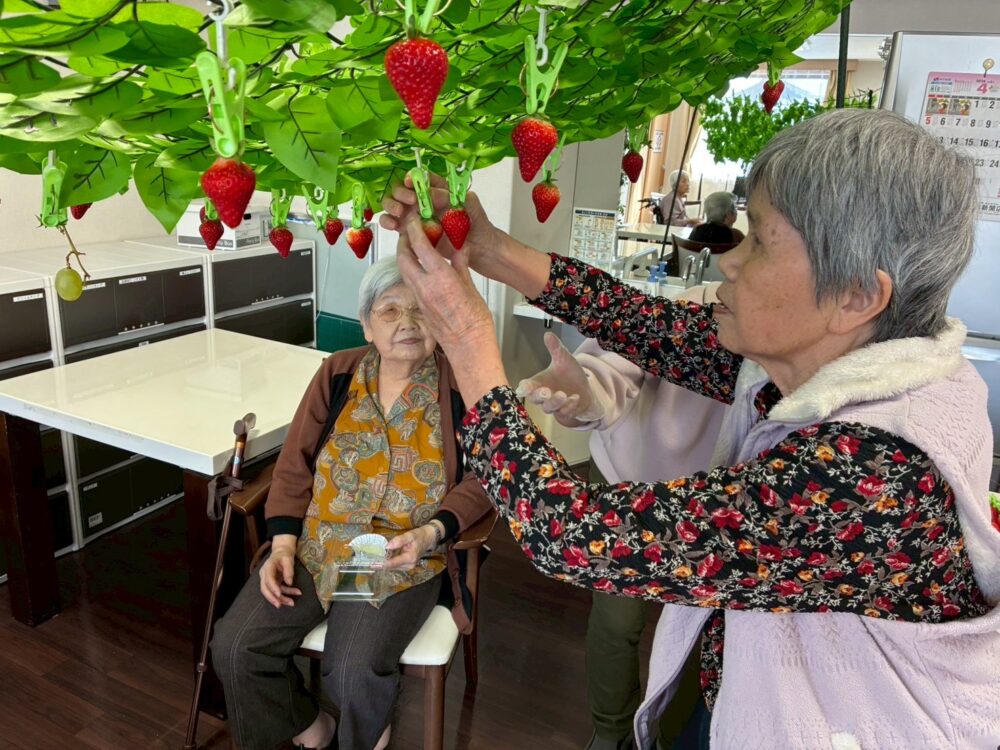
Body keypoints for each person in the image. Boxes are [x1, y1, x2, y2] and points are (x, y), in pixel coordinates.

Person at [382, 108, 1000, 749]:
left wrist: (467, 339)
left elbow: (574, 535)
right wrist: (488, 249)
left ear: (855, 296)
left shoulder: (875, 475)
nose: (730, 262)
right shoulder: (837, 362)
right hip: (741, 689)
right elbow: (648, 324)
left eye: (761, 240)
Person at [210, 258, 492, 750]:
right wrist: (281, 545)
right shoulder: (337, 372)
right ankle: (312, 729)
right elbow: (294, 463)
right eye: (389, 310)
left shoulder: (459, 386)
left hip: (394, 557)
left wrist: (432, 532)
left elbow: (486, 477)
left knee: (353, 666)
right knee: (236, 646)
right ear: (366, 323)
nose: (407, 323)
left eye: (421, 310)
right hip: (316, 546)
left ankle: (362, 740)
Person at [518, 284, 727, 750]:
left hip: (713, 505)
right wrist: (588, 398)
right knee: (617, 621)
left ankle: (662, 736)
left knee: (698, 632)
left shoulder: (797, 339)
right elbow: (612, 366)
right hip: (628, 478)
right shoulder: (691, 306)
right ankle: (612, 732)